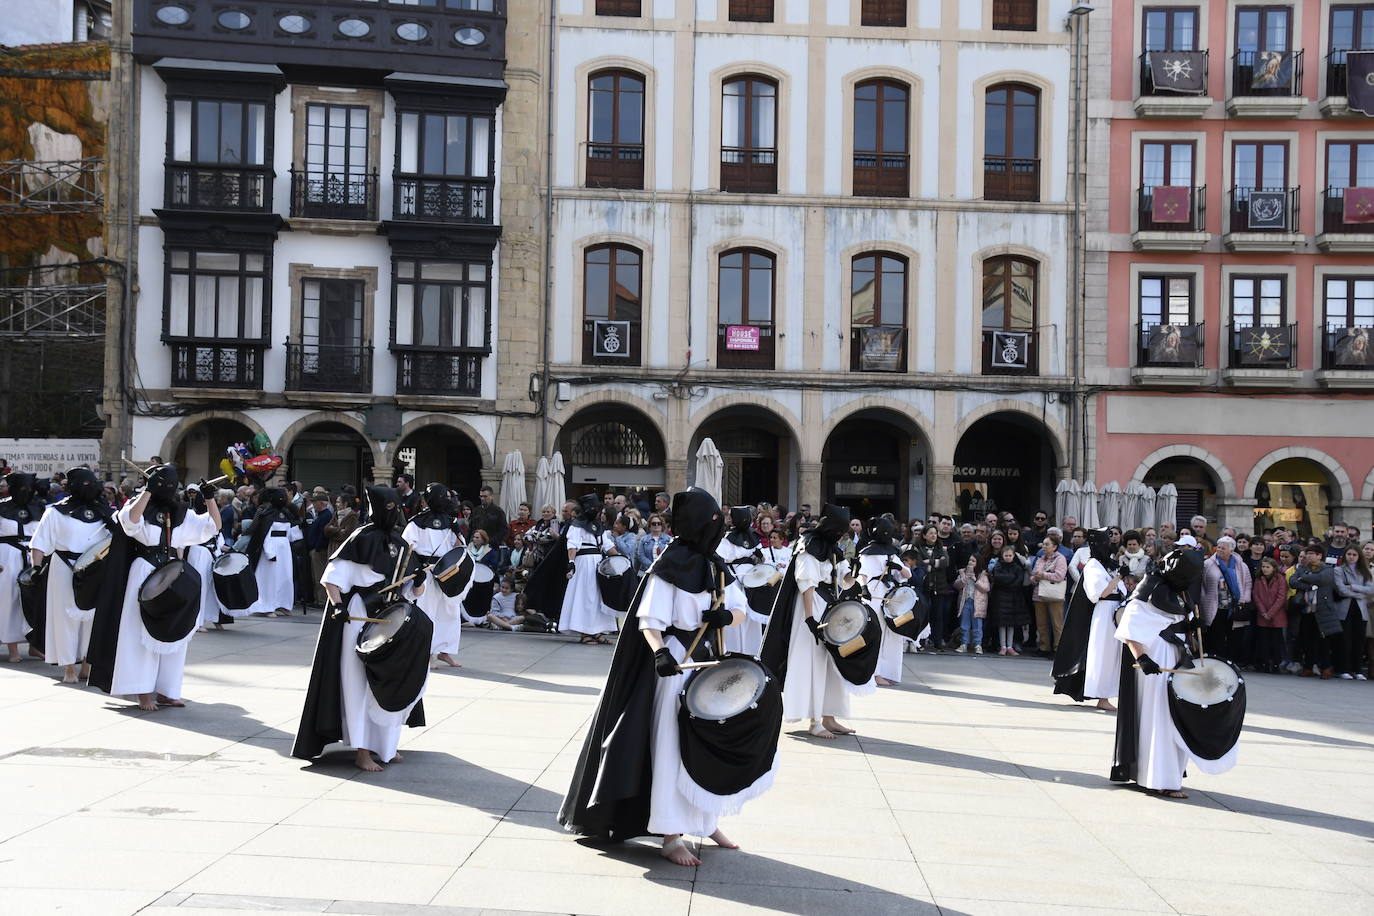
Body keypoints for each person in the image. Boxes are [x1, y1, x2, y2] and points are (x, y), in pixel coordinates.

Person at [559, 488, 768, 866]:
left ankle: (706, 821)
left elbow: (741, 609)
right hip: (676, 667)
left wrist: (726, 617)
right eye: (713, 520)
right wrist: (658, 653)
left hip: (711, 664)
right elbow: (649, 620)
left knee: (708, 745)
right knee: (674, 749)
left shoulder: (715, 564)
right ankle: (672, 835)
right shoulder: (670, 564)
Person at [292, 486, 430, 772]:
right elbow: (332, 577)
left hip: (392, 616)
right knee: (359, 683)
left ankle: (386, 746)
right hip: (359, 615)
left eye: (396, 507)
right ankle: (362, 750)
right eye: (388, 508)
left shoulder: (401, 543)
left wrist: (417, 582)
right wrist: (339, 606)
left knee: (390, 679)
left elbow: (412, 591)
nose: (393, 513)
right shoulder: (360, 537)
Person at [1111, 548, 1236, 799]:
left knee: (1172, 716)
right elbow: (1130, 625)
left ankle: (1160, 775)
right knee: (1160, 716)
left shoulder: (1179, 588)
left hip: (1176, 654)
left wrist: (1190, 625)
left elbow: (1175, 618)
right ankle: (1160, 778)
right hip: (1157, 654)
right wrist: (1142, 657)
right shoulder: (1148, 589)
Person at [92, 466, 220, 711]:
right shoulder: (138, 505)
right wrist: (148, 492)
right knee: (139, 634)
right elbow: (129, 522)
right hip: (144, 571)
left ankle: (168, 690)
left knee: (176, 631)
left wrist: (209, 498)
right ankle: (142, 691)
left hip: (173, 573)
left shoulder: (183, 513)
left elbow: (213, 527)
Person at [760, 504, 867, 739]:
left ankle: (829, 716)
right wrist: (809, 618)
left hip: (829, 608)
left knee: (831, 663)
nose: (841, 535)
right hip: (812, 608)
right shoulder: (808, 545)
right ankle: (814, 720)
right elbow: (806, 584)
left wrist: (854, 572)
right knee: (812, 663)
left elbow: (843, 579)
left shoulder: (831, 546)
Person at [28, 467, 116, 683]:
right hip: (64, 566)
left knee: (92, 618)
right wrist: (36, 569)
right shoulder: (56, 512)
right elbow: (39, 543)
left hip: (95, 568)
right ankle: (69, 668)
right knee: (65, 616)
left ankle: (87, 664)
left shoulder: (105, 511)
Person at [1053, 528, 1125, 712]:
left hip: (1113, 612)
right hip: (1103, 613)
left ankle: (1105, 695)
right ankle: (1102, 696)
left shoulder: (1105, 564)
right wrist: (1118, 578)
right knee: (1103, 656)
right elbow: (1099, 593)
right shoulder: (1093, 565)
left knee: (1110, 655)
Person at [403, 483, 468, 669]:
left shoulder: (451, 521)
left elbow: (461, 546)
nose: (447, 500)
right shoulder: (417, 522)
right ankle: (427, 652)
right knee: (427, 611)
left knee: (450, 612)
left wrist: (457, 539)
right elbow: (407, 548)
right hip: (426, 572)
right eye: (444, 497)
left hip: (448, 572)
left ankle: (444, 651)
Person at [560, 494, 619, 644]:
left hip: (598, 562)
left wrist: (621, 559)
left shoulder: (598, 526)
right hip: (584, 563)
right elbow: (572, 544)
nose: (596, 510)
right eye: (593, 508)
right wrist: (571, 562)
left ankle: (596, 630)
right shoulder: (576, 525)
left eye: (597, 508)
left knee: (598, 597)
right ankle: (583, 632)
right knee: (584, 596)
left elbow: (607, 545)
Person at [859, 517, 911, 685]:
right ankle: (874, 673)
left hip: (888, 597)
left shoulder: (891, 553)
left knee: (892, 635)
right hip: (874, 596)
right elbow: (862, 575)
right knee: (876, 634)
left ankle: (888, 671)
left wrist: (899, 568)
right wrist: (864, 589)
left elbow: (907, 574)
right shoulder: (867, 553)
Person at [0, 472, 46, 662]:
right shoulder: (2, 508)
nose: (25, 492)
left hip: (32, 556)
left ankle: (35, 645)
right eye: (21, 488)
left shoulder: (39, 508)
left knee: (34, 601)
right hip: (7, 557)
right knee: (9, 601)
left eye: (29, 488)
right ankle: (12, 647)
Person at [242, 488, 301, 618]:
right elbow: (265, 535)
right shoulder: (267, 514)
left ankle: (283, 604)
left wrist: (300, 528)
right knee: (269, 580)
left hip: (284, 550)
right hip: (272, 550)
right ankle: (267, 606)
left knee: (285, 578)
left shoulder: (286, 514)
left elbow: (291, 534)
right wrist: (269, 553)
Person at [716, 507, 766, 655]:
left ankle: (742, 651)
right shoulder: (752, 537)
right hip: (745, 579)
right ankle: (746, 652)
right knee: (740, 613)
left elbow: (722, 558)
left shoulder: (726, 539)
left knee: (741, 613)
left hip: (741, 580)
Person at [1289, 545, 1341, 678]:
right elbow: (1293, 581)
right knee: (1307, 639)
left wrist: (1305, 578)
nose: (1309, 556)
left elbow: (1323, 579)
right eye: (1307, 553)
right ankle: (1308, 667)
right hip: (1307, 608)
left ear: (1319, 555)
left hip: (1323, 609)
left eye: (1312, 553)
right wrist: (1311, 582)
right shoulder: (1302, 568)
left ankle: (1325, 668)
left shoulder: (1328, 569)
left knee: (1323, 641)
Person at [1200, 536, 1253, 663]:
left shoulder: (1241, 565)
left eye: (1223, 548)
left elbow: (1247, 583)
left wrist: (1244, 599)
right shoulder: (1208, 564)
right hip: (1215, 606)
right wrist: (1203, 599)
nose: (1220, 550)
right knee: (1216, 635)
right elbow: (1202, 584)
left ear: (1231, 550)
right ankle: (1217, 661)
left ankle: (1231, 662)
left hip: (1234, 606)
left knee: (1234, 637)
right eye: (1218, 547)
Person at [1332, 546, 1372, 680]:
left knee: (1359, 641)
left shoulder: (1364, 571)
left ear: (1359, 556)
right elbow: (1341, 589)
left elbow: (1371, 589)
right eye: (1349, 554)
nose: (1351, 557)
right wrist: (1358, 594)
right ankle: (1343, 668)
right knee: (1345, 640)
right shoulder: (1339, 570)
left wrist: (1353, 587)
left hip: (1361, 609)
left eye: (1354, 554)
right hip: (1344, 608)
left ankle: (1357, 669)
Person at [988, 544, 1030, 656]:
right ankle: (1003, 646)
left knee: (1011, 623)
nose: (1008, 557)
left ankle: (1010, 646)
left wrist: (1008, 581)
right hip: (1000, 598)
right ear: (1002, 556)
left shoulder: (1017, 567)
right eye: (1006, 555)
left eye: (1010, 555)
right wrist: (1011, 578)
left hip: (1014, 598)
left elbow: (1019, 580)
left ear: (1013, 556)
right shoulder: (998, 566)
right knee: (1001, 623)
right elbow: (998, 578)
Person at [1030, 534, 1068, 654]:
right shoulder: (1040, 558)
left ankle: (1058, 648)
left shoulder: (1060, 558)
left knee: (1057, 624)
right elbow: (1033, 575)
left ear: (1055, 546)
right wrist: (1035, 578)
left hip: (1054, 594)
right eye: (1043, 544)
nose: (1044, 547)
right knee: (1041, 623)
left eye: (1047, 544)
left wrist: (1042, 575)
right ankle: (1044, 647)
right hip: (1038, 594)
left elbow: (1059, 576)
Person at [1251, 556, 1289, 674]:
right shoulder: (1259, 579)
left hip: (1276, 615)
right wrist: (1263, 612)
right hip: (1263, 615)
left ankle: (1276, 664)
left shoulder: (1280, 579)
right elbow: (1256, 595)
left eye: (1268, 567)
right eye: (1263, 567)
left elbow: (1281, 597)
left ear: (1274, 568)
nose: (1265, 569)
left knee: (1276, 641)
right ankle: (1265, 663)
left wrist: (1271, 612)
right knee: (1264, 641)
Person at [304, 489, 334, 608]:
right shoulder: (321, 515)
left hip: (319, 551)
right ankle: (318, 599)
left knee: (319, 575)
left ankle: (321, 600)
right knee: (315, 575)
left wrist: (317, 547)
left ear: (321, 503)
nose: (313, 505)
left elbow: (323, 534)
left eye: (315, 502)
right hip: (316, 550)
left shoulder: (326, 515)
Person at [469, 484, 509, 548]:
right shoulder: (476, 510)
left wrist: (492, 542)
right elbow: (471, 528)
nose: (482, 499)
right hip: (475, 546)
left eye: (485, 496)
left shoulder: (498, 511)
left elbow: (504, 531)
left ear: (491, 496)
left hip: (491, 546)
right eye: (481, 496)